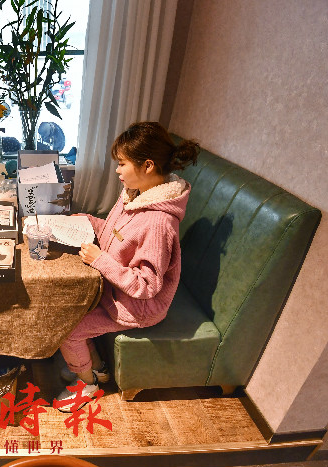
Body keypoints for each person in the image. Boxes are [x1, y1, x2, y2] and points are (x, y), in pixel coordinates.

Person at [55, 122, 199, 411]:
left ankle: (87, 385)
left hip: (138, 307)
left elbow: (147, 286)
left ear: (148, 165)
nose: (117, 170)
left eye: (122, 163)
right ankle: (96, 367)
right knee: (68, 310)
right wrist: (84, 221)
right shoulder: (134, 195)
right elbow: (114, 233)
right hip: (116, 291)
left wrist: (100, 260)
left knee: (67, 329)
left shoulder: (158, 222)